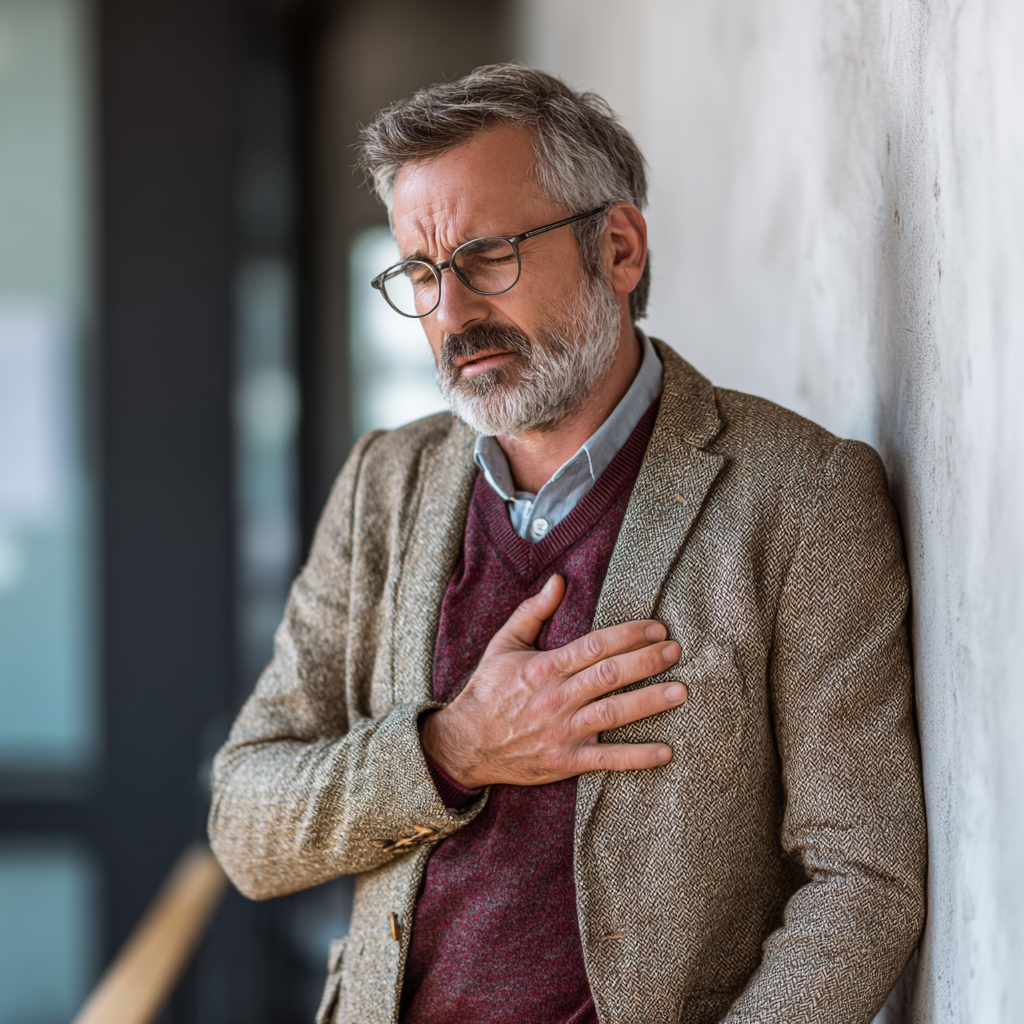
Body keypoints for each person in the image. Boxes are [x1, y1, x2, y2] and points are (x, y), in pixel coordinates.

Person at [209, 65, 926, 1024]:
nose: (452, 315)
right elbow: (246, 825)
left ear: (619, 248)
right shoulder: (384, 483)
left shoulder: (799, 496)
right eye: (420, 274)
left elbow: (865, 875)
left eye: (487, 256)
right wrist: (451, 748)